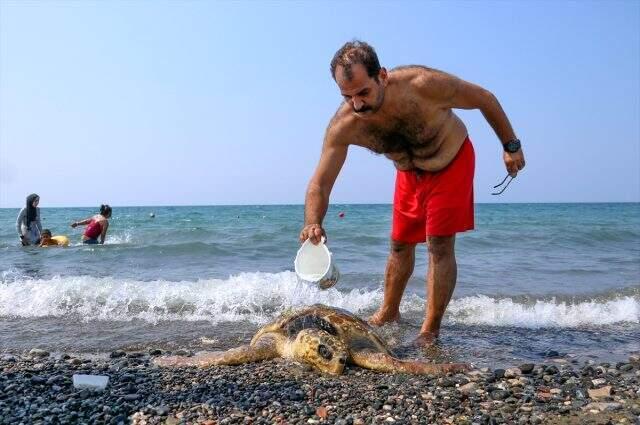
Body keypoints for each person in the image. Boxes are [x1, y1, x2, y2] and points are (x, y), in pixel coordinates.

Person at [299, 41, 526, 345]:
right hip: (409, 174)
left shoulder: (422, 84)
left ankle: (429, 330)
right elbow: (320, 184)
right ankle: (388, 313)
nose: (357, 104)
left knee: (439, 245)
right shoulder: (345, 124)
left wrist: (511, 146)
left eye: (363, 92)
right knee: (399, 245)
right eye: (347, 96)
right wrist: (313, 222)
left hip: (451, 160)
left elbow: (484, 98)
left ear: (382, 76)